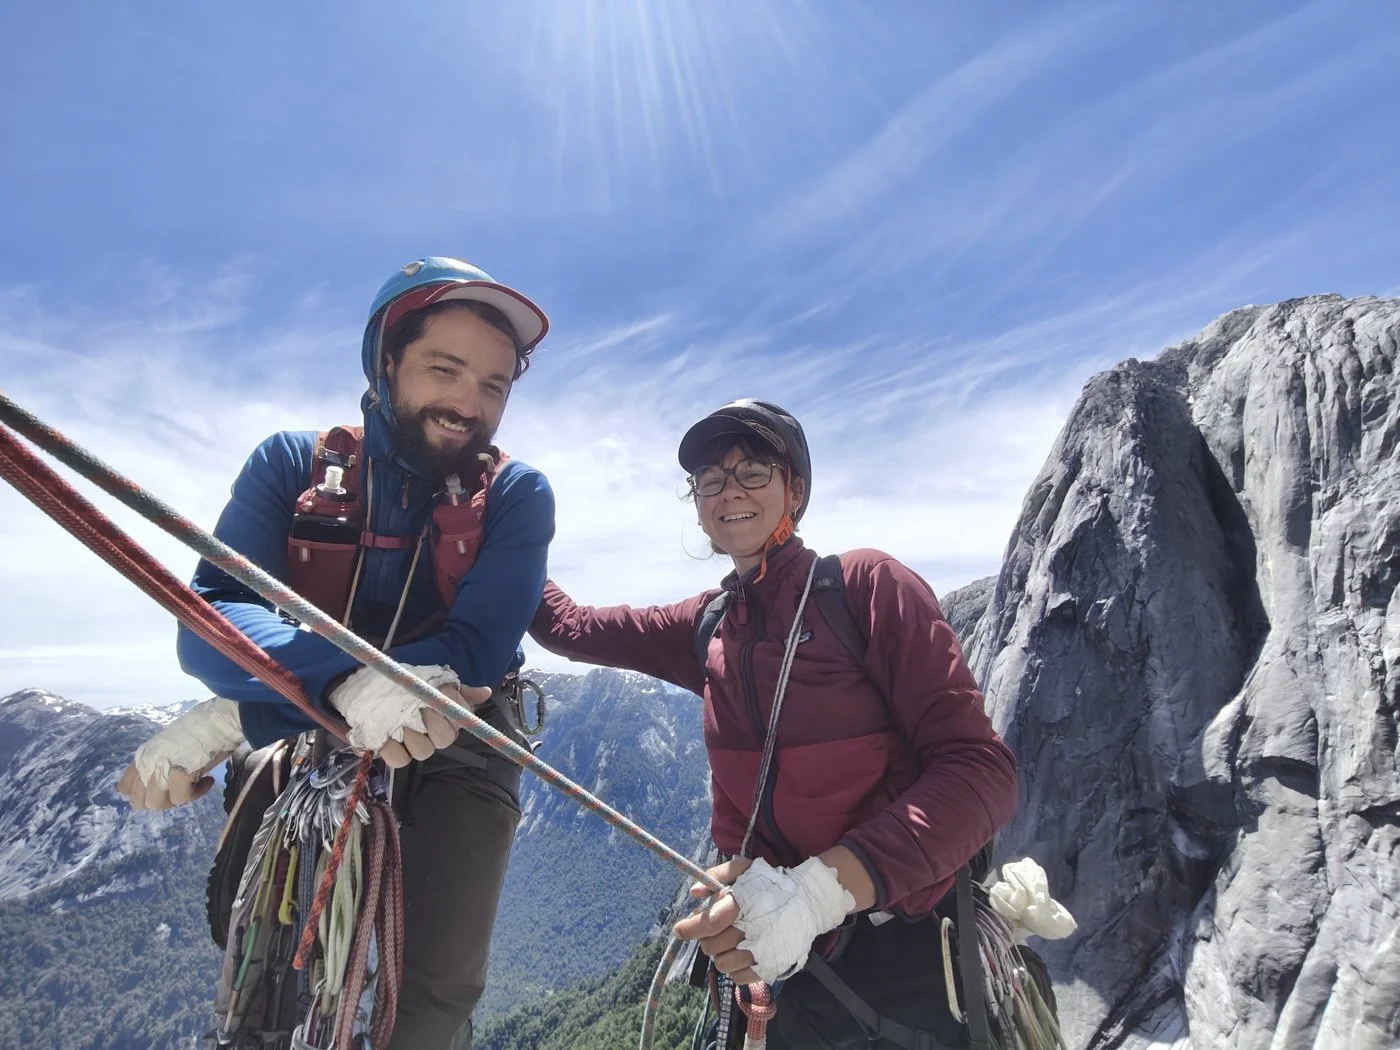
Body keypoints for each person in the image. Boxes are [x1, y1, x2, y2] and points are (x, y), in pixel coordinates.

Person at [116, 256, 557, 1050]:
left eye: (494, 385)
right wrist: (348, 684)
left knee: (435, 990)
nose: (469, 403)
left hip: (458, 733)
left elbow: (476, 652)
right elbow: (211, 613)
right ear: (385, 363)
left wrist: (243, 715)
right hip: (318, 720)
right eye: (445, 369)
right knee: (257, 940)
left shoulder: (519, 495)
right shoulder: (290, 465)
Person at [530, 399, 1018, 1049]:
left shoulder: (866, 589)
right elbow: (568, 628)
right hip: (769, 958)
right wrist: (495, 509)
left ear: (796, 488)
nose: (728, 488)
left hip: (904, 955)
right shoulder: (707, 626)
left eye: (753, 469)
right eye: (709, 477)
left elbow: (982, 771)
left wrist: (820, 893)